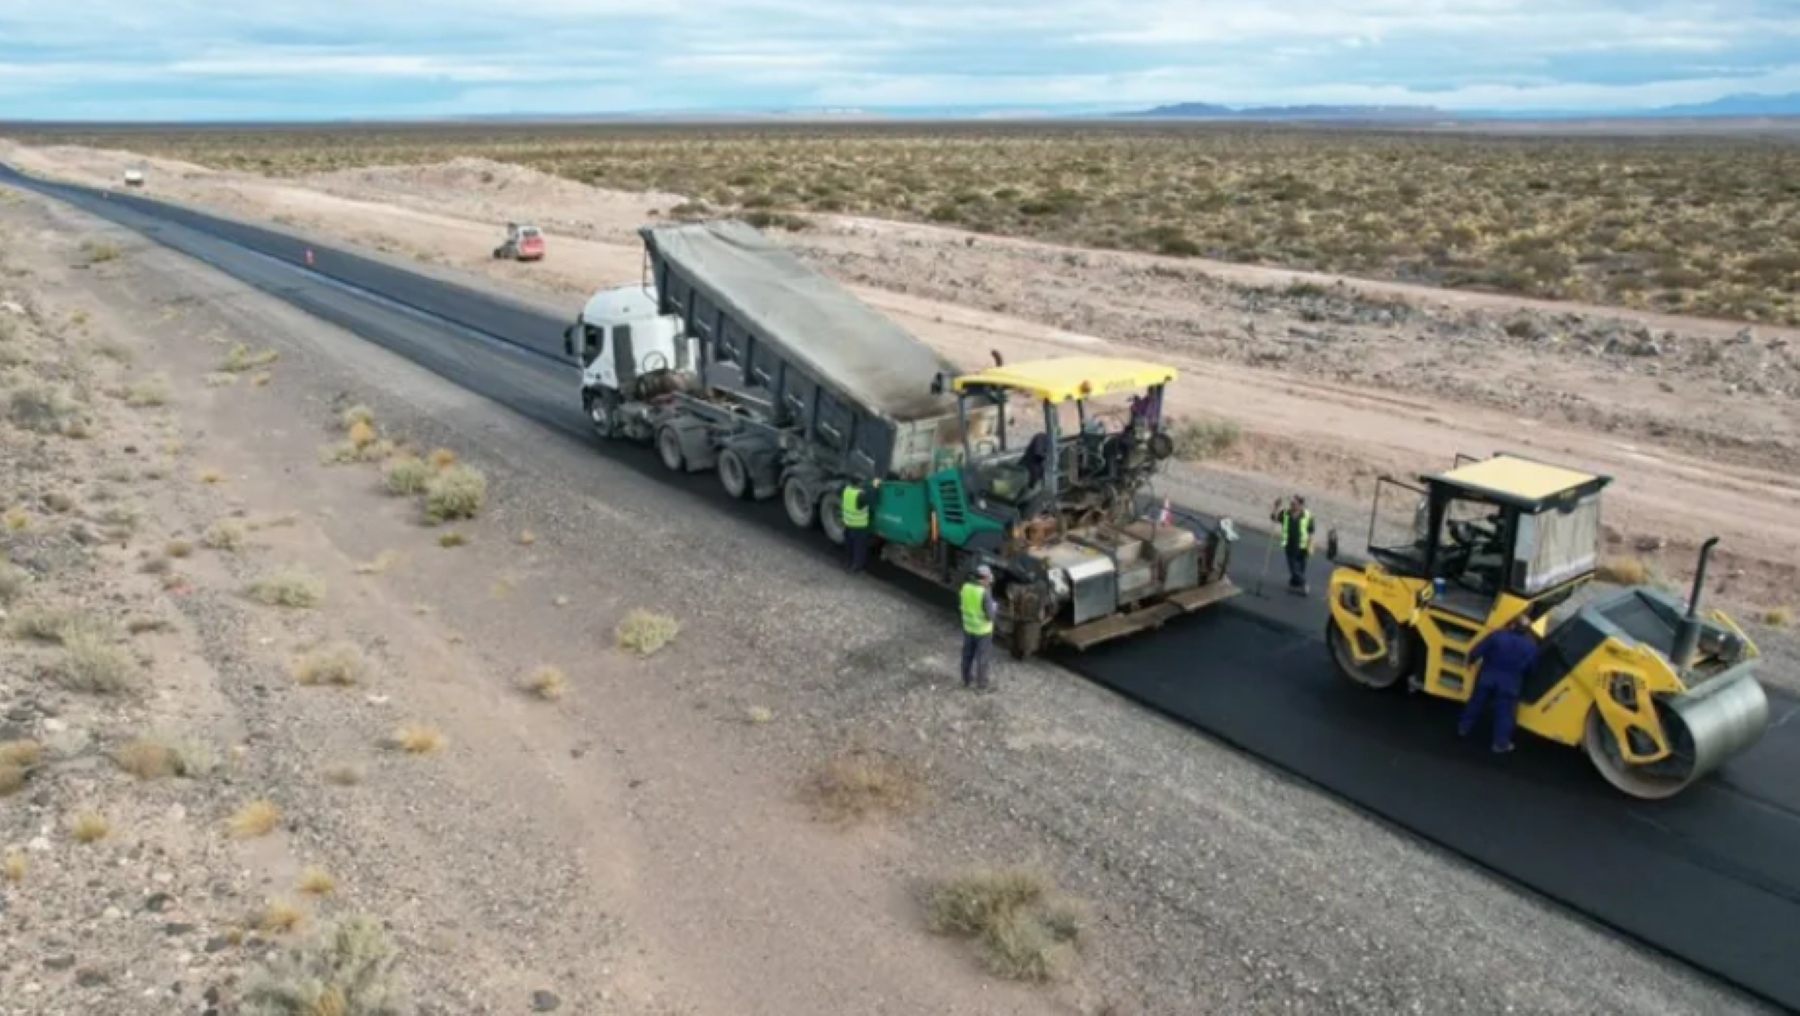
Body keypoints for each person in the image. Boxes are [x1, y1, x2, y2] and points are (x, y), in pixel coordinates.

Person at [1459, 614, 1540, 753]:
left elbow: (1477, 650)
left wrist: (1470, 661)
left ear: (1512, 625)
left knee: (1475, 703)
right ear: (1526, 631)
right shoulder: (1530, 646)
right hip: (1510, 684)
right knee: (1504, 715)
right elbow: (1531, 668)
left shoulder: (1497, 636)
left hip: (1487, 677)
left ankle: (1463, 728)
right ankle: (1500, 744)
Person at [960, 565, 998, 691]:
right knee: (982, 658)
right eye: (988, 579)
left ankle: (966, 680)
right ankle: (982, 686)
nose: (989, 581)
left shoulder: (965, 587)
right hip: (983, 631)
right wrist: (994, 607)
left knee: (967, 655)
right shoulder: (984, 593)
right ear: (983, 579)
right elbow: (990, 617)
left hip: (968, 627)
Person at [1270, 495, 1314, 595]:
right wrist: (1276, 506)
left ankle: (1293, 584)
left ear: (1300, 505)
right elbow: (1274, 517)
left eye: (1294, 504)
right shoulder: (1285, 513)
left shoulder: (1307, 515)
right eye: (1291, 503)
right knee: (1293, 566)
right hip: (1290, 544)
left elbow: (1311, 531)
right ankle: (1304, 584)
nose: (1292, 505)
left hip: (1303, 545)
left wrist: (1310, 546)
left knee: (1301, 567)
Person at [841, 479, 875, 573]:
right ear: (859, 484)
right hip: (858, 526)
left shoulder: (847, 490)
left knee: (849, 545)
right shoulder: (860, 495)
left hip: (848, 523)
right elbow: (872, 500)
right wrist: (874, 487)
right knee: (859, 547)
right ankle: (856, 566)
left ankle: (847, 562)